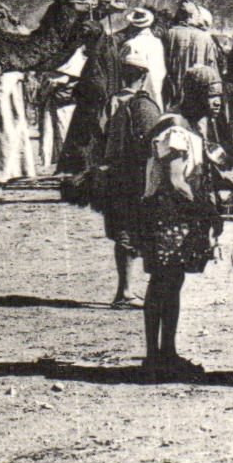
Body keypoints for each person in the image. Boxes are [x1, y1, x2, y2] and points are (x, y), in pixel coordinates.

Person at [136, 113, 225, 380]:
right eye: (210, 95)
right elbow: (175, 181)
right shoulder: (174, 132)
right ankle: (155, 356)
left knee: (172, 283)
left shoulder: (188, 131)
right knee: (163, 283)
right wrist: (206, 210)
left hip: (175, 216)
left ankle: (167, 352)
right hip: (166, 217)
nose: (216, 103)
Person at [96, 45, 161, 308]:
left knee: (123, 231)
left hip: (114, 172)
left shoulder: (112, 101)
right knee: (135, 231)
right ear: (144, 75)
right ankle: (126, 293)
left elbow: (101, 133)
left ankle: (125, 289)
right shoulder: (145, 105)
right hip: (135, 174)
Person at [0, 69, 37, 185]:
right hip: (5, 84)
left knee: (4, 134)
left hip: (5, 85)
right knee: (3, 133)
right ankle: (11, 172)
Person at [161, 1, 221, 112]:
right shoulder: (206, 37)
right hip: (198, 93)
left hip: (173, 92)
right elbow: (213, 70)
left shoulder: (168, 34)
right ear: (193, 16)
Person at [118, 8, 166, 106]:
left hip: (138, 86)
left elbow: (121, 65)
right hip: (156, 84)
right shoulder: (157, 42)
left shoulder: (130, 44)